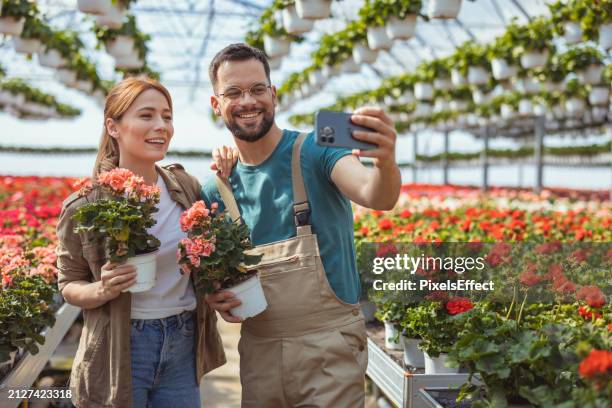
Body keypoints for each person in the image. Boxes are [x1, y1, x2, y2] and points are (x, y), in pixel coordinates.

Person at [203, 43, 401, 407]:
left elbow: (375, 195)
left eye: (258, 89)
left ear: (273, 94)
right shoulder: (216, 189)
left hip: (329, 347)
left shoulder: (318, 148)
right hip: (259, 352)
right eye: (233, 92)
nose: (248, 100)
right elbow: (212, 273)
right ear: (217, 105)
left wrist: (386, 162)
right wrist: (214, 295)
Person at [55, 77, 225, 408]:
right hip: (121, 349)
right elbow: (69, 285)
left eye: (167, 116)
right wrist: (102, 290)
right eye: (146, 115)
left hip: (183, 341)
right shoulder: (85, 206)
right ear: (113, 127)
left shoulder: (186, 188)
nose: (161, 126)